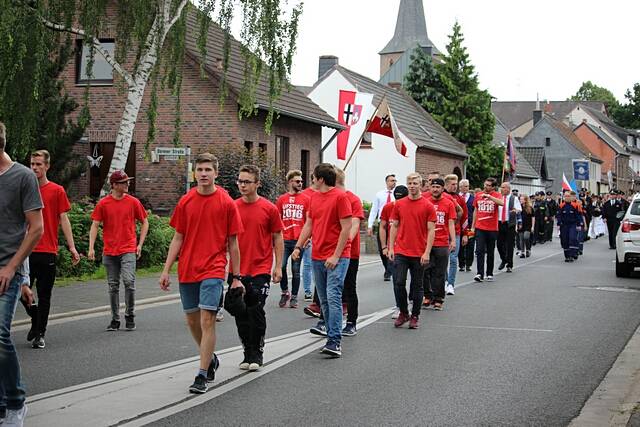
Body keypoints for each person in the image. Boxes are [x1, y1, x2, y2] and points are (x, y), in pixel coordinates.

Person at [159, 153, 243, 394]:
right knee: (192, 321)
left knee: (207, 320)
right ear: (194, 173)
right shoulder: (186, 201)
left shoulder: (226, 203)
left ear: (216, 173)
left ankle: (202, 373)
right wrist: (166, 270)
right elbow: (178, 238)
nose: (204, 174)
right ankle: (211, 359)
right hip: (187, 268)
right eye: (200, 170)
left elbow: (233, 243)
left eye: (208, 169)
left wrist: (235, 276)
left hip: (214, 268)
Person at [0, 121, 42, 427]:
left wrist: (15, 269)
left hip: (7, 269)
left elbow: (36, 228)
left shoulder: (22, 177)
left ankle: (15, 403)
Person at [17, 150, 80, 350]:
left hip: (47, 251)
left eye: (38, 164)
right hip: (25, 250)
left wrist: (71, 247)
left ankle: (40, 333)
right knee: (19, 290)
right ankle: (35, 320)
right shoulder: (23, 189)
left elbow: (63, 219)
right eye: (32, 164)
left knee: (44, 295)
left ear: (47, 167)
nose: (34, 167)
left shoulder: (56, 191)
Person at [292, 163, 352, 357]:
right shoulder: (314, 198)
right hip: (317, 254)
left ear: (320, 179)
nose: (311, 182)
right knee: (324, 300)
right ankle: (329, 332)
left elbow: (346, 228)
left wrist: (335, 255)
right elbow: (309, 224)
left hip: (338, 256)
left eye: (313, 178)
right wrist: (298, 247)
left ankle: (335, 341)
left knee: (333, 296)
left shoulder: (340, 197)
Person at [233, 165, 284, 370]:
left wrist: (278, 266)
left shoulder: (269, 208)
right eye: (240, 181)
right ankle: (247, 351)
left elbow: (278, 237)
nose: (242, 185)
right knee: (240, 313)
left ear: (257, 184)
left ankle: (257, 352)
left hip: (261, 268)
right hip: (237, 270)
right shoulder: (232, 207)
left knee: (255, 310)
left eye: (247, 181)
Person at [89, 170, 149, 332]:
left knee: (129, 282)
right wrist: (91, 247)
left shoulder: (133, 202)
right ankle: (115, 319)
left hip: (128, 248)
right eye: (123, 182)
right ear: (114, 185)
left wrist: (139, 244)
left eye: (127, 181)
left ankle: (129, 315)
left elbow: (144, 222)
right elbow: (95, 225)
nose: (127, 184)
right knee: (113, 286)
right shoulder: (103, 204)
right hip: (110, 250)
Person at [388, 173, 436, 329]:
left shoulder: (427, 205)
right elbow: (394, 226)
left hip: (419, 252)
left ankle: (415, 315)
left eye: (415, 183)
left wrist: (427, 252)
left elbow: (431, 230)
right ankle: (403, 312)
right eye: (410, 183)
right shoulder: (399, 204)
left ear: (420, 184)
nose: (412, 186)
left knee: (417, 286)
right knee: (399, 282)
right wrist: (390, 247)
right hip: (401, 250)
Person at [276, 170, 309, 308]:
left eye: (301, 181)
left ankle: (294, 297)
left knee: (296, 270)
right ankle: (285, 292)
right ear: (290, 182)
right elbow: (277, 219)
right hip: (284, 239)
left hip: (298, 241)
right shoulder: (281, 199)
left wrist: (307, 239)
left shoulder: (306, 199)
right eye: (297, 181)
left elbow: (309, 221)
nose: (300, 183)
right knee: (281, 266)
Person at [422, 178, 456, 310]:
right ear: (430, 188)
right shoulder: (425, 203)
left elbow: (451, 223)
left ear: (442, 189)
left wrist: (453, 240)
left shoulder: (448, 204)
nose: (435, 189)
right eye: (433, 187)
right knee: (425, 270)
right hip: (426, 243)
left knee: (439, 272)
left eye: (438, 187)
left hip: (442, 242)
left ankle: (438, 298)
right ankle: (427, 296)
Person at [379, 185, 409, 319]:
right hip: (395, 249)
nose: (399, 202)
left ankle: (413, 299)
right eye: (397, 199)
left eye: (401, 198)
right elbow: (383, 227)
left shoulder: (411, 207)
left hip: (412, 248)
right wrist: (384, 247)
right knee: (398, 280)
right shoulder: (388, 207)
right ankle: (400, 306)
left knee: (416, 280)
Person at [471, 178, 504, 282]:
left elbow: (501, 203)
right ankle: (479, 273)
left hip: (492, 228)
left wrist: (490, 197)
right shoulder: (478, 195)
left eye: (489, 185)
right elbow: (475, 210)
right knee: (479, 251)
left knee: (490, 251)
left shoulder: (496, 195)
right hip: (480, 227)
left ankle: (489, 273)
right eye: (485, 185)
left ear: (493, 187)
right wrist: (473, 226)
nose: (486, 187)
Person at [367, 174, 397, 281]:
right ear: (386, 182)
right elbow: (374, 210)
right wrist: (370, 225)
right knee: (382, 248)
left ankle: (390, 270)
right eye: (391, 180)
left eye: (394, 180)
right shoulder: (379, 195)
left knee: (393, 246)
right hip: (382, 223)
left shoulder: (397, 194)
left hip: (394, 223)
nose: (393, 182)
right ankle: (387, 267)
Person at [444, 174, 467, 295]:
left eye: (456, 184)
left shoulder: (459, 199)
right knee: (442, 259)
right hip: (442, 233)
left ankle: (451, 284)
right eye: (452, 184)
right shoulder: (441, 196)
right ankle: (445, 280)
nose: (455, 186)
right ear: (446, 184)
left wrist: (465, 234)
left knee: (453, 259)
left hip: (456, 232)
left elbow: (464, 218)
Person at [497, 182, 522, 273]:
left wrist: (515, 211)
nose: (502, 189)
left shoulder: (514, 198)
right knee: (499, 244)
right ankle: (504, 259)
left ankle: (509, 264)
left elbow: (519, 209)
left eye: (503, 187)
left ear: (508, 189)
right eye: (501, 187)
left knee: (509, 245)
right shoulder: (498, 198)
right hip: (499, 223)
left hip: (510, 224)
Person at [557, 191, 583, 262]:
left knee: (572, 238)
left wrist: (579, 224)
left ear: (571, 197)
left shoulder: (575, 205)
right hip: (564, 225)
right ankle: (567, 256)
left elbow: (578, 215)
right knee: (565, 240)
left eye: (568, 196)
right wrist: (558, 224)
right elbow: (559, 216)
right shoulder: (561, 205)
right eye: (566, 196)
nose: (567, 197)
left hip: (573, 225)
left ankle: (572, 255)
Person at [458, 179, 475, 272]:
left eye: (467, 186)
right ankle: (461, 264)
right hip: (459, 225)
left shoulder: (473, 198)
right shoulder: (456, 197)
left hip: (470, 225)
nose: (465, 188)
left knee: (470, 244)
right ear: (459, 187)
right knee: (460, 244)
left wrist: (474, 225)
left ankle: (469, 264)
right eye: (463, 186)